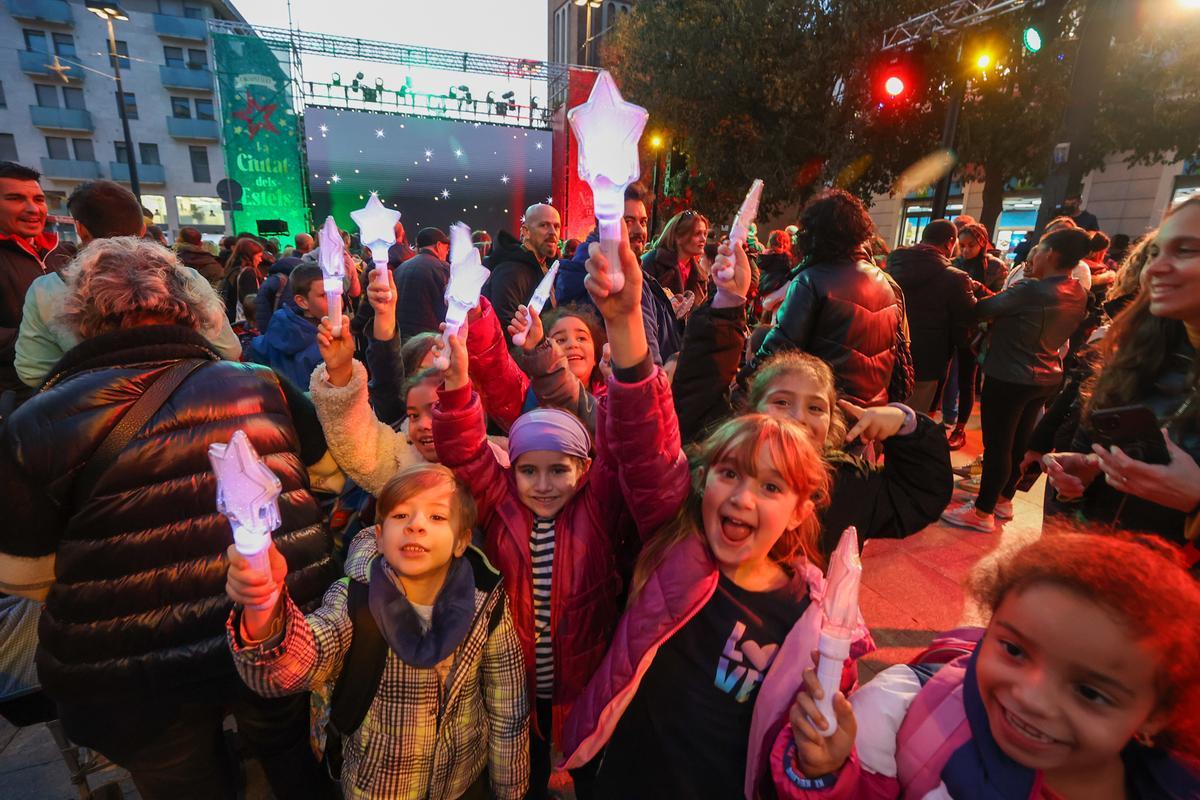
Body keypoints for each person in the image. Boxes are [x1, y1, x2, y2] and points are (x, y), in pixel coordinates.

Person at [0, 237, 338, 800]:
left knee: (182, 780)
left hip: (131, 666)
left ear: (78, 316)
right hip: (276, 621)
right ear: (190, 305)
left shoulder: (37, 420)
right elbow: (326, 474)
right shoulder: (261, 380)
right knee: (285, 749)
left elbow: (24, 577)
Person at [435, 219, 689, 798]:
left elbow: (632, 451)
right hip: (514, 678)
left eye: (559, 471)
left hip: (586, 671)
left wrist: (631, 366)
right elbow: (468, 452)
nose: (544, 485)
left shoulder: (597, 501)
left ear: (584, 469)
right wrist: (457, 387)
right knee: (519, 767)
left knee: (584, 758)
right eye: (529, 471)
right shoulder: (503, 503)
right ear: (512, 469)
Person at [560, 412, 872, 799]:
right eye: (728, 474)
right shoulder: (675, 552)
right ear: (703, 478)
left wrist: (821, 767)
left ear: (799, 512)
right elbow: (641, 431)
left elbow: (798, 758)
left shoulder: (808, 624)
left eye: (771, 487)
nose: (741, 497)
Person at [773, 532, 1200, 799]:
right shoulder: (921, 727)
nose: (1031, 697)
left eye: (1090, 691)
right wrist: (828, 771)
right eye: (1015, 650)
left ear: (1157, 714)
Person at [227, 464, 530, 800]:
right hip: (380, 788)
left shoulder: (485, 603)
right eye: (400, 516)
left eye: (437, 517)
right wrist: (264, 603)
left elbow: (508, 708)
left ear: (461, 541)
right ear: (381, 537)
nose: (415, 525)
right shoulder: (356, 598)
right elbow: (297, 665)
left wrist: (510, 790)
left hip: (462, 784)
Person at [1044, 198, 1200, 544]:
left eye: (1186, 250)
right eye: (1156, 252)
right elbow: (1099, 468)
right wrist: (1088, 474)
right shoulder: (1135, 353)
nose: (1155, 268)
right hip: (1105, 568)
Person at [15, 180, 240, 389]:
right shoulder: (186, 277)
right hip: (188, 399)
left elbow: (34, 372)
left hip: (94, 418)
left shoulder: (47, 289)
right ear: (143, 229)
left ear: (80, 229)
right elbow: (229, 350)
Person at [941, 228, 1093, 532]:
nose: (1030, 257)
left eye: (1036, 251)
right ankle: (1003, 500)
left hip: (1010, 375)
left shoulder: (1030, 290)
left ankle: (982, 511)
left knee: (998, 445)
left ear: (1049, 254)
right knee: (1020, 442)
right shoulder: (1077, 290)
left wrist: (967, 288)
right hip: (1047, 375)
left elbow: (979, 310)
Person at [746, 188, 912, 407]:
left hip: (825, 412)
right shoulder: (886, 283)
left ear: (815, 232)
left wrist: (744, 382)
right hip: (871, 415)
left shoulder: (811, 280)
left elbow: (780, 346)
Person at [556, 183, 681, 364]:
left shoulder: (628, 272)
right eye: (628, 221)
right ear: (604, 226)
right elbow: (647, 363)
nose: (640, 231)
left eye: (643, 222)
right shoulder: (612, 279)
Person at [886, 219, 976, 414]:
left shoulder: (895, 262)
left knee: (885, 414)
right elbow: (968, 317)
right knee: (912, 421)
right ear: (950, 243)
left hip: (890, 351)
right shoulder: (955, 278)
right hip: (928, 361)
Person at [0, 162, 69, 397]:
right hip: (12, 396)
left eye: (38, 200)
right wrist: (46, 340)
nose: (33, 209)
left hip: (61, 388)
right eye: (15, 198)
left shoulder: (59, 253)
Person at [483, 203, 561, 343]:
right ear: (525, 231)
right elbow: (505, 330)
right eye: (544, 225)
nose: (553, 233)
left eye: (556, 226)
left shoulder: (546, 267)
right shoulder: (510, 272)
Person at [248, 263, 327, 389]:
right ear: (302, 302)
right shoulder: (324, 342)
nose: (335, 301)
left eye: (336, 293)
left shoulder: (279, 324)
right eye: (324, 295)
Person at [641, 208, 710, 306]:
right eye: (697, 234)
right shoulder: (651, 262)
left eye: (705, 234)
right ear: (678, 236)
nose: (703, 239)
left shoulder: (701, 277)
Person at [393, 226, 451, 339]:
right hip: (428, 342)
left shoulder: (401, 268)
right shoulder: (443, 268)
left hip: (400, 339)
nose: (447, 253)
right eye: (446, 248)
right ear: (438, 246)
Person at [220, 237, 266, 326]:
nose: (260, 260)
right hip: (244, 321)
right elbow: (250, 300)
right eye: (259, 256)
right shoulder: (248, 273)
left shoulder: (233, 270)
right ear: (250, 256)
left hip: (233, 318)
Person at [758, 229, 796, 301]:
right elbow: (790, 273)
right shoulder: (785, 257)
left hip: (764, 289)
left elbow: (761, 267)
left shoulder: (766, 255)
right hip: (778, 290)